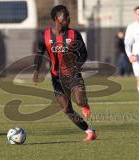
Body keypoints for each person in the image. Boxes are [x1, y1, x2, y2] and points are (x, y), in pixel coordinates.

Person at [33, 5, 96, 141]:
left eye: (68, 15)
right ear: (57, 18)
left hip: (73, 75)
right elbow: (39, 54)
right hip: (56, 78)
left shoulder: (74, 34)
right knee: (67, 110)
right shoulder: (45, 35)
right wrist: (36, 71)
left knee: (79, 101)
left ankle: (84, 104)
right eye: (65, 16)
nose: (69, 17)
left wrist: (76, 66)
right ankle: (89, 131)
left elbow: (83, 53)